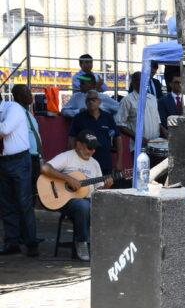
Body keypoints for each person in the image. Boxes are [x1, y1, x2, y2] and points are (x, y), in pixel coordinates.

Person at [40, 131, 112, 261]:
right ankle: (81, 242)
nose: (92, 151)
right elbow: (45, 168)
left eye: (94, 148)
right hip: (67, 201)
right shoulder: (67, 157)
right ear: (79, 145)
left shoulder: (95, 164)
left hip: (90, 201)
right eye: (89, 147)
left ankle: (104, 247)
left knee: (105, 206)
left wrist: (106, 186)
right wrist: (68, 179)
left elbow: (99, 192)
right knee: (83, 206)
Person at [0, 86, 39, 256]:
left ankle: (31, 243)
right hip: (3, 161)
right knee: (6, 204)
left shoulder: (13, 108)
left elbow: (4, 130)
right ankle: (12, 243)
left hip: (19, 160)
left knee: (24, 203)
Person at [69, 90, 122, 176]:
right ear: (85, 102)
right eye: (88, 100)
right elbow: (72, 138)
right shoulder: (79, 118)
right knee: (86, 184)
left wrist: (119, 161)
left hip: (105, 161)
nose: (91, 102)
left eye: (94, 99)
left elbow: (118, 138)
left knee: (105, 184)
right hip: (84, 161)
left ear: (99, 101)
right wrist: (73, 159)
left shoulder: (107, 117)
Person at [115, 71, 164, 151]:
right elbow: (120, 124)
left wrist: (164, 131)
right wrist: (138, 138)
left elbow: (157, 121)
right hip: (138, 147)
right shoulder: (127, 100)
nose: (143, 83)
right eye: (140, 80)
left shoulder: (153, 98)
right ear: (133, 82)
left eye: (145, 80)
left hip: (156, 146)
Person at [11, 84, 42, 191]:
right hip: (24, 156)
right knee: (25, 188)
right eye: (27, 93)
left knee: (35, 187)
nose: (31, 95)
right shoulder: (15, 112)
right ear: (19, 96)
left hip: (35, 156)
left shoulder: (28, 113)